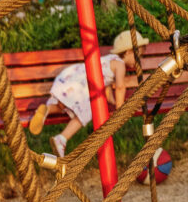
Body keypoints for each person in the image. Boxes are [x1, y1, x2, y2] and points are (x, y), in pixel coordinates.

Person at [43, 28, 137, 160]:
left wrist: (112, 101)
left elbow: (106, 87)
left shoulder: (109, 60)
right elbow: (120, 87)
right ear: (128, 52)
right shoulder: (120, 65)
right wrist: (120, 109)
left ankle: (46, 110)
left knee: (61, 106)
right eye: (138, 55)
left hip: (72, 77)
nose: (139, 59)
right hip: (82, 86)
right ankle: (62, 138)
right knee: (88, 111)